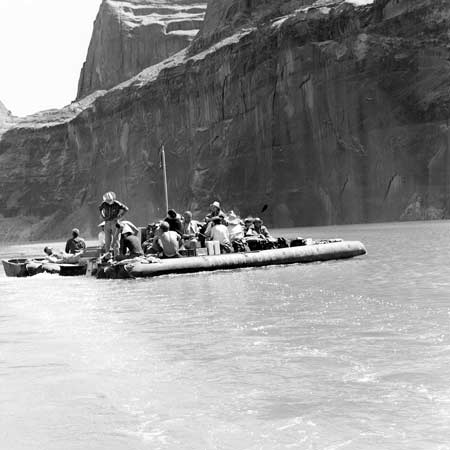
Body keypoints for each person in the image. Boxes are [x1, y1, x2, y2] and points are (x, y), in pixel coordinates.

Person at [98, 191, 128, 256]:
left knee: (116, 240)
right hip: (107, 222)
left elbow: (126, 209)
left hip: (115, 222)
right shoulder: (104, 204)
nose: (109, 201)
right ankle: (107, 256)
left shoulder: (117, 203)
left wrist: (119, 217)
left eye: (110, 200)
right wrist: (103, 216)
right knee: (107, 240)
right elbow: (100, 209)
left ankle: (116, 256)